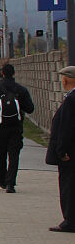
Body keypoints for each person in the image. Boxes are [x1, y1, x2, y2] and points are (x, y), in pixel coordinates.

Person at [0, 62, 34, 193]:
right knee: (14, 156)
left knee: (0, 155)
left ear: (2, 73)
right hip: (16, 128)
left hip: (0, 127)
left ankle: (2, 180)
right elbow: (30, 109)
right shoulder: (21, 90)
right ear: (14, 73)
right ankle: (11, 184)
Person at [45, 65, 75, 232]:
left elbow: (66, 127)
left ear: (65, 80)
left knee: (68, 187)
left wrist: (61, 151)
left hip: (69, 154)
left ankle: (69, 221)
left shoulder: (71, 99)